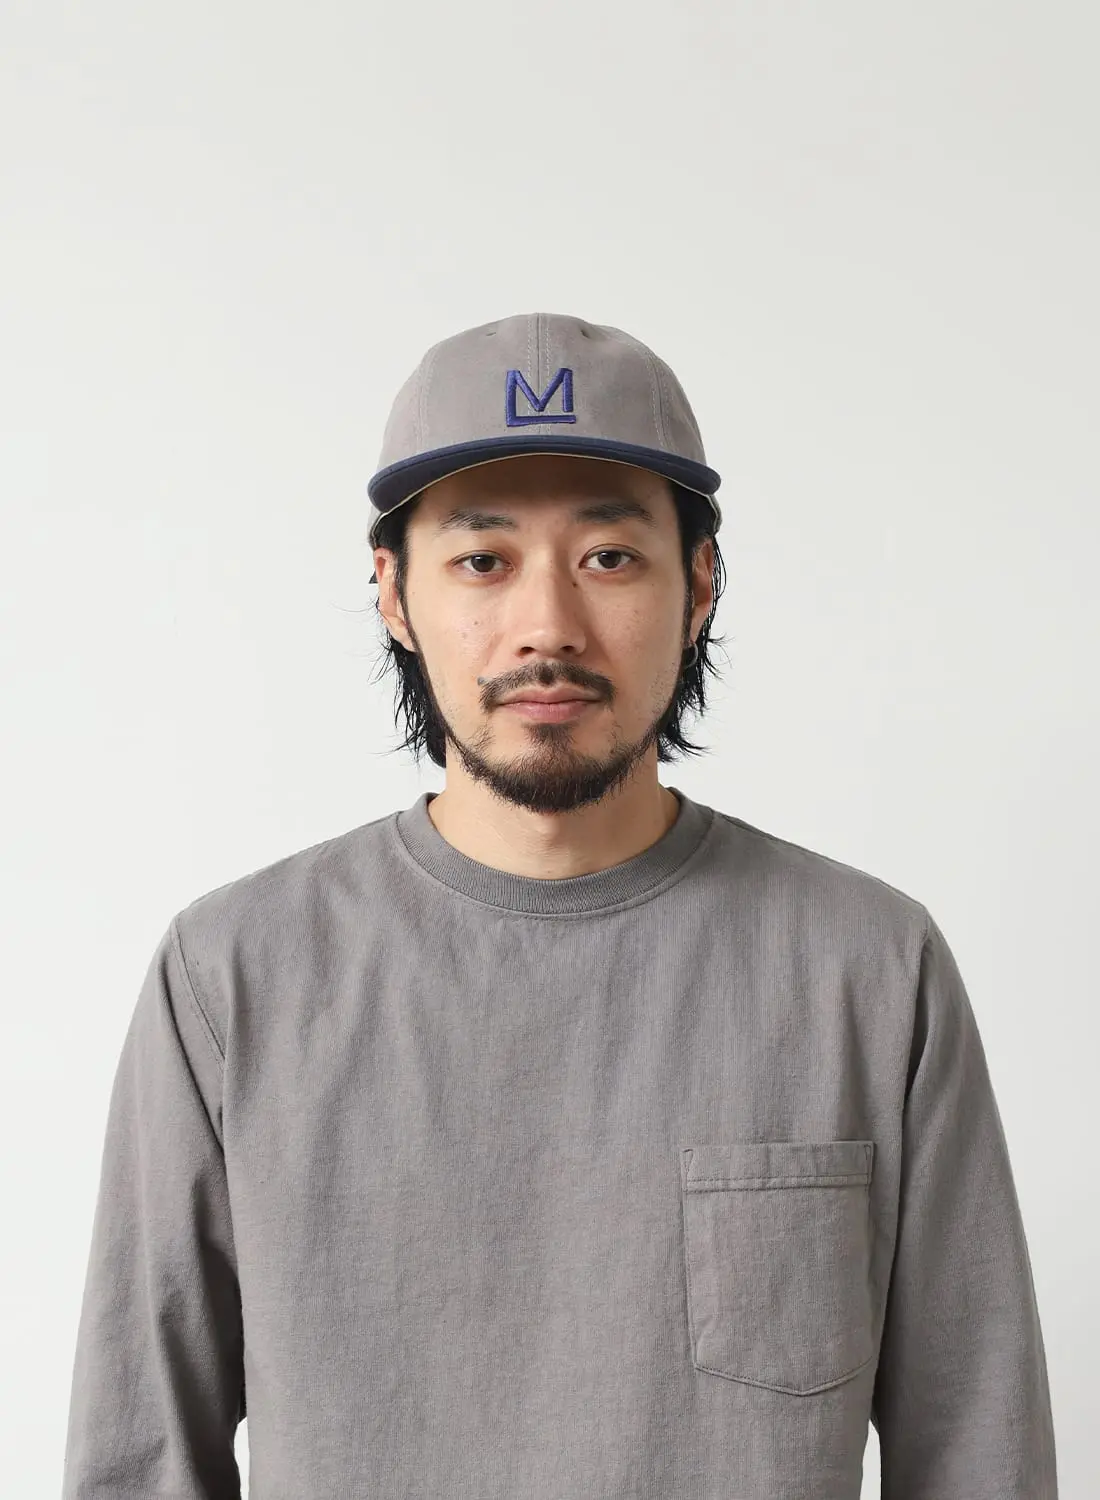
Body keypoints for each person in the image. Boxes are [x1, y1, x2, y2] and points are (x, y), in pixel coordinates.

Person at [60, 312, 1058, 1499]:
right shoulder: (232, 977)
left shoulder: (868, 969)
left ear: (698, 585)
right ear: (392, 593)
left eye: (608, 557)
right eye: (482, 560)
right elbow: (138, 1461)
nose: (547, 627)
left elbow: (980, 1451)